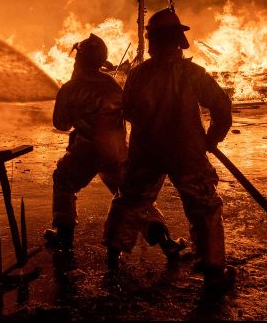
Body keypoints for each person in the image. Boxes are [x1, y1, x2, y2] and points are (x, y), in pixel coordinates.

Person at [102, 8, 236, 294]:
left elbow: (128, 111)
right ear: (178, 40)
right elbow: (222, 108)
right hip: (186, 151)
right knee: (204, 207)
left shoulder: (138, 74)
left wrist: (150, 126)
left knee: (130, 199)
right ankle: (213, 271)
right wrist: (211, 139)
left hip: (146, 150)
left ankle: (113, 254)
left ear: (152, 40)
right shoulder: (192, 73)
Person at [44, 33, 187, 261]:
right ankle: (166, 242)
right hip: (115, 151)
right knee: (132, 197)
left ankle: (64, 235)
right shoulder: (110, 84)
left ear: (79, 60)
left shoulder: (70, 88)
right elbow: (128, 113)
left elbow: (60, 124)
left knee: (63, 181)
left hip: (85, 150)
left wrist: (77, 113)